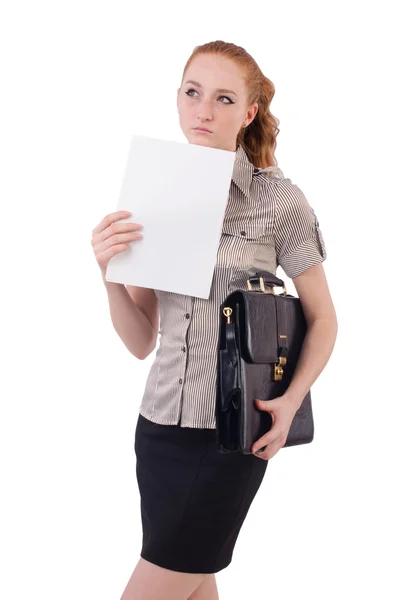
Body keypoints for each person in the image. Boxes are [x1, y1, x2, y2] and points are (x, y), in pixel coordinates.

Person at [91, 40, 338, 600]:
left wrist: (292, 400)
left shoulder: (279, 202)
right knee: (194, 583)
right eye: (192, 93)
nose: (203, 110)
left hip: (230, 436)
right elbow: (139, 341)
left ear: (248, 112)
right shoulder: (156, 198)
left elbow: (324, 318)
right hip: (157, 431)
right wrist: (107, 273)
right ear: (177, 101)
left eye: (223, 98)